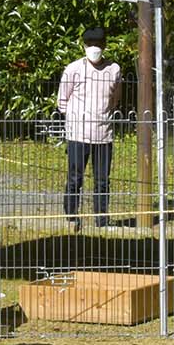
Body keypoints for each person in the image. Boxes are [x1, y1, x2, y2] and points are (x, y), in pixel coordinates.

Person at [56, 26, 125, 229]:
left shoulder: (114, 69)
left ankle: (102, 219)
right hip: (78, 134)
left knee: (102, 180)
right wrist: (74, 121)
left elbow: (115, 99)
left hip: (103, 135)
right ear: (84, 46)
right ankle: (71, 216)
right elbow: (62, 100)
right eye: (90, 44)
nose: (94, 48)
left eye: (98, 44)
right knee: (75, 177)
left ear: (104, 45)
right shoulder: (73, 69)